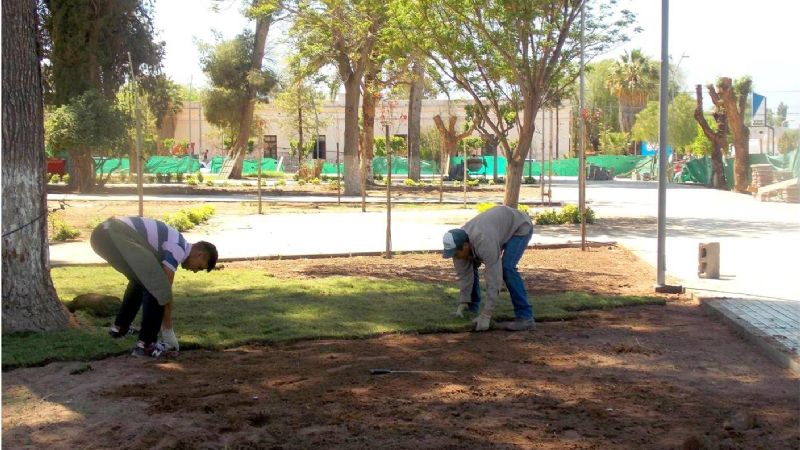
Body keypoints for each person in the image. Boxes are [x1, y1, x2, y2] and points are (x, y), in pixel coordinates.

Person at [90, 216, 218, 357]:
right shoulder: (178, 248)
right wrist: (168, 331)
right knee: (157, 286)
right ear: (200, 255)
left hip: (103, 234)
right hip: (112, 234)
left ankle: (120, 328)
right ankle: (146, 344)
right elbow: (164, 292)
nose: (194, 271)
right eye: (199, 267)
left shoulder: (177, 241)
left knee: (142, 280)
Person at [442, 205, 535, 332]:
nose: (455, 256)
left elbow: (494, 279)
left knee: (507, 267)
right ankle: (470, 308)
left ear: (465, 246)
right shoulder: (458, 246)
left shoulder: (484, 241)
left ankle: (525, 318)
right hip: (497, 228)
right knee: (470, 264)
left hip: (519, 226)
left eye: (456, 253)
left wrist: (487, 314)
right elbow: (464, 275)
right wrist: (463, 302)